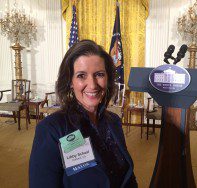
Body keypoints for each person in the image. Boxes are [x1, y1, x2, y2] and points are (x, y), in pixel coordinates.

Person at [29, 40, 138, 188]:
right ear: (70, 81)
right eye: (81, 76)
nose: (92, 85)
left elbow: (127, 175)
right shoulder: (52, 129)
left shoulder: (114, 121)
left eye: (99, 74)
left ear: (108, 79)